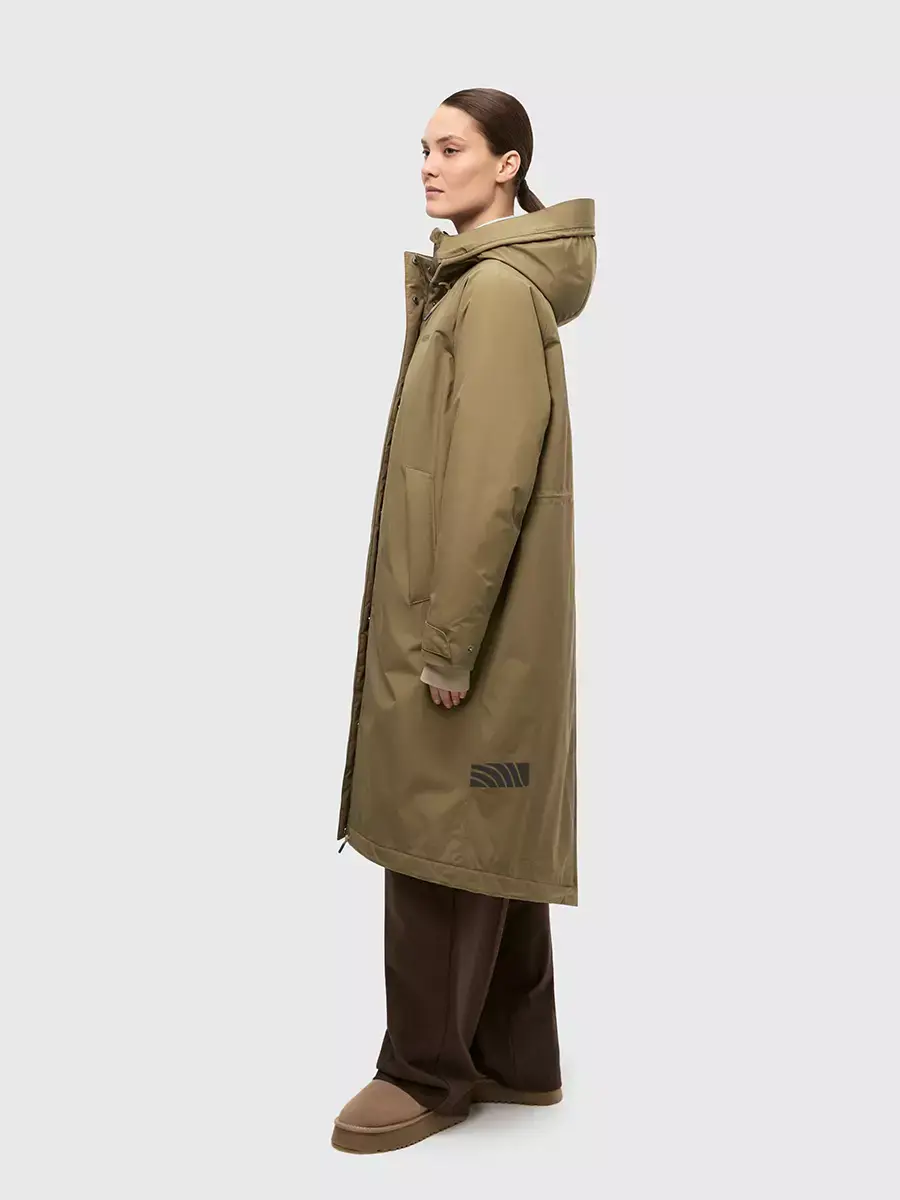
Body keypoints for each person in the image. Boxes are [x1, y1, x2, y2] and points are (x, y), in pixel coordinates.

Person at [332, 87, 597, 1154]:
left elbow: (487, 485)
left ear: (508, 164)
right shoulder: (486, 286)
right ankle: (516, 1057)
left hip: (463, 637)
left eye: (452, 148)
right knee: (488, 820)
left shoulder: (490, 295)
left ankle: (428, 1072)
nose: (430, 166)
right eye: (424, 149)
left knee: (438, 832)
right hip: (481, 629)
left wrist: (445, 648)